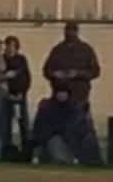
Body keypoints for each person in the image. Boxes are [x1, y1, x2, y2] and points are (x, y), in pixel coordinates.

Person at [42, 23, 103, 165]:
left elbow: (95, 71)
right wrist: (55, 75)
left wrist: (77, 73)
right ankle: (63, 155)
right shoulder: (58, 50)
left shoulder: (86, 50)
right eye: (67, 31)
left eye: (71, 31)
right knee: (61, 127)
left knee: (78, 126)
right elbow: (47, 70)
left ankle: (82, 156)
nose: (69, 34)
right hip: (60, 97)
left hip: (79, 95)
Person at [3, 36, 33, 157]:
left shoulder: (21, 60)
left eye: (12, 46)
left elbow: (26, 78)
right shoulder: (2, 60)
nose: (9, 49)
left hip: (20, 97)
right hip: (6, 97)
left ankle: (26, 150)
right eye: (8, 46)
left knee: (24, 123)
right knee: (6, 124)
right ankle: (7, 149)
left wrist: (22, 92)